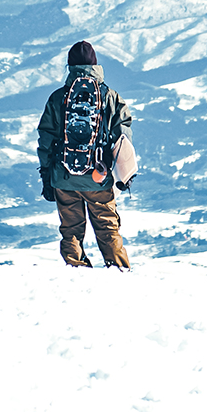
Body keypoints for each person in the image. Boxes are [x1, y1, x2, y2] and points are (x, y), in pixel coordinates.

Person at [36, 40, 133, 269]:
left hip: (64, 177)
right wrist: (121, 174)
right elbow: (123, 138)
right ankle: (119, 269)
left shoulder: (58, 97)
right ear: (95, 64)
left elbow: (46, 139)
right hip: (98, 176)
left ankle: (77, 271)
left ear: (69, 66)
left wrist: (47, 175)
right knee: (107, 227)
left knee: (71, 230)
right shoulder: (110, 96)